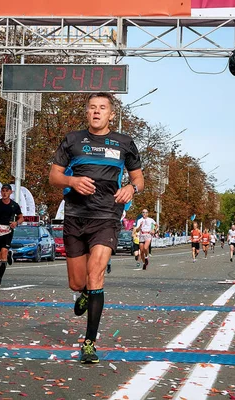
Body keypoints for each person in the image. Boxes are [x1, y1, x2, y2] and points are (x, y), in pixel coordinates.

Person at [49, 92, 144, 364]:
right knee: (77, 283)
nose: (97, 112)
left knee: (96, 275)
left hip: (106, 217)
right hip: (76, 216)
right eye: (92, 107)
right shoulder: (73, 140)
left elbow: (139, 178)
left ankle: (89, 343)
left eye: (102, 108)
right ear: (86, 112)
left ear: (111, 114)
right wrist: (73, 181)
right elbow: (54, 176)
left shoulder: (124, 143)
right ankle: (84, 294)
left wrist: (131, 187)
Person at [0, 184, 24, 288]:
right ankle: (10, 254)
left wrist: (16, 223)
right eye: (3, 191)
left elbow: (21, 218)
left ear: (11, 192)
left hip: (8, 231)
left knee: (4, 253)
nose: (4, 193)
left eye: (7, 191)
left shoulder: (14, 205)